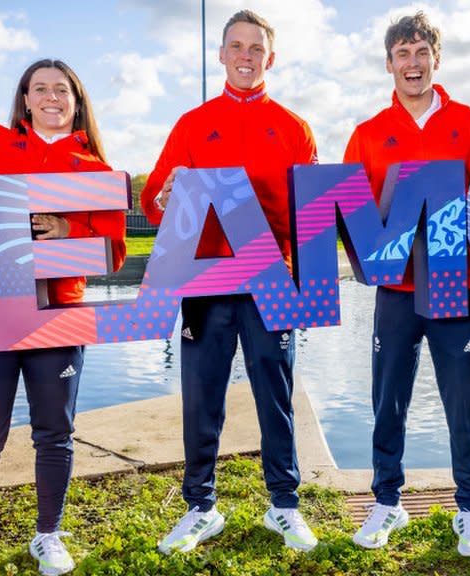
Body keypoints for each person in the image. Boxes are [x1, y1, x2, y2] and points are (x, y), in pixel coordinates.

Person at [0, 5, 127, 576]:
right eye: (40, 89)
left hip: (59, 312)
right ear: (26, 99)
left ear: (77, 99)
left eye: (61, 89)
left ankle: (48, 535)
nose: (51, 97)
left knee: (54, 433)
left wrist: (70, 229)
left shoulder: (95, 168)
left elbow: (112, 250)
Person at [140, 9, 320, 554]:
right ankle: (200, 507)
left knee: (277, 396)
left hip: (271, 281)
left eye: (256, 48)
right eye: (236, 46)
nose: (246, 56)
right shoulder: (193, 124)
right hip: (205, 282)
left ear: (271, 56)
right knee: (202, 397)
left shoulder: (294, 128)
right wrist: (166, 199)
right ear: (221, 54)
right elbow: (153, 201)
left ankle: (284, 506)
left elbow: (311, 215)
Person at [342, 12, 470, 557]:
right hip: (396, 291)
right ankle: (387, 500)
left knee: (463, 402)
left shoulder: (469, 122)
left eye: (421, 50)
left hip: (452, 280)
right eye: (402, 53)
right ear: (389, 64)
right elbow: (344, 212)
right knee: (388, 400)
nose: (412, 62)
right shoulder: (368, 133)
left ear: (436, 58)